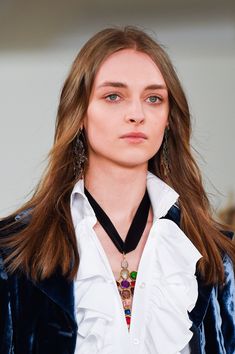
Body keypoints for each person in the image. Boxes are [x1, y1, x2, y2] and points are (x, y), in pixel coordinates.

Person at [0, 26, 234, 354]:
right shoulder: (11, 252)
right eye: (113, 96)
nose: (136, 114)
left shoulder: (214, 257)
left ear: (168, 118)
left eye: (154, 98)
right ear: (79, 113)